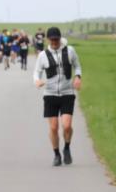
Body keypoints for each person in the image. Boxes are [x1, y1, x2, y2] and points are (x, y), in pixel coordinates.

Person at [33, 26, 83, 166]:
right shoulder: (43, 55)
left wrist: (78, 77)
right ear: (48, 39)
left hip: (67, 93)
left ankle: (67, 148)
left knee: (67, 126)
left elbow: (77, 66)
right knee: (54, 127)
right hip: (50, 95)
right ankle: (56, 154)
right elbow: (36, 72)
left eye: (56, 39)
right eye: (52, 39)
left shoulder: (70, 51)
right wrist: (37, 80)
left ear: (60, 38)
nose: (54, 42)